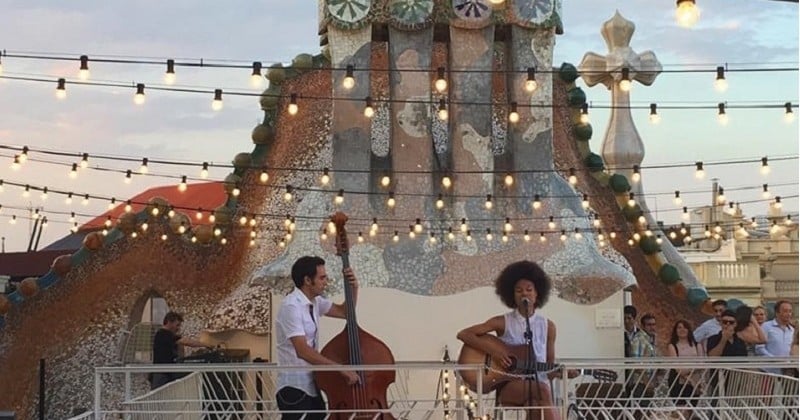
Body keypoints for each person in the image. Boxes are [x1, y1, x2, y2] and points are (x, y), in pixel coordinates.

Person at [456, 260, 561, 420]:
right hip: (509, 386)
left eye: (528, 290)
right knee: (543, 393)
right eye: (518, 290)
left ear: (537, 293)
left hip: (538, 386)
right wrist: (495, 352)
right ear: (512, 295)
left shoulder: (549, 327)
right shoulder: (502, 322)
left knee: (537, 401)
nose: (524, 294)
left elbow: (549, 367)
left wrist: (562, 372)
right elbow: (464, 334)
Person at [274, 256, 361, 420]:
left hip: (312, 383)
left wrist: (354, 288)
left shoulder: (316, 302)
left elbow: (345, 313)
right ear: (307, 280)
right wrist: (340, 368)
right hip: (294, 386)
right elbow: (302, 351)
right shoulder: (291, 306)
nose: (326, 281)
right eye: (322, 277)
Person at [151, 311, 212, 389]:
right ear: (169, 322)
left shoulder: (165, 335)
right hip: (162, 373)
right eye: (177, 325)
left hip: (166, 371)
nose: (178, 328)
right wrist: (206, 345)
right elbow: (187, 342)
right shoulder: (164, 334)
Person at [665, 320, 705, 416]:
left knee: (691, 411)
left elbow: (702, 364)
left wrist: (691, 371)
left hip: (695, 383)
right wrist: (694, 367)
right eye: (679, 327)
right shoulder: (672, 346)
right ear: (675, 331)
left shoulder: (697, 345)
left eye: (685, 327)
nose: (682, 330)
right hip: (678, 382)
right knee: (681, 412)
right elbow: (678, 369)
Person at [755, 301, 795, 374]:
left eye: (790, 311)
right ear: (777, 313)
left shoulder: (792, 330)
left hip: (787, 373)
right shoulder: (766, 326)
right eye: (785, 311)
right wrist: (775, 359)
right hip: (768, 371)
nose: (789, 314)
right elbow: (759, 348)